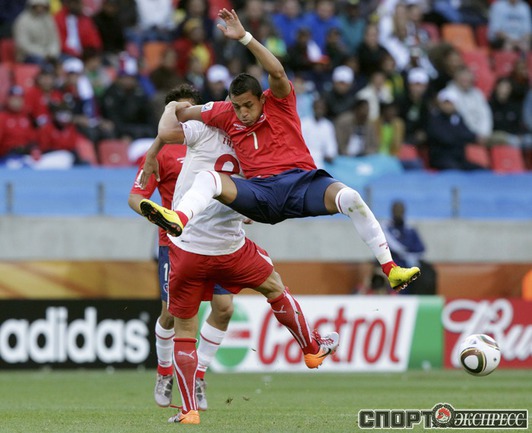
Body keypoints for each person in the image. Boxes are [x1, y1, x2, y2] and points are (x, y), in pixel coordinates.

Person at [140, 8, 420, 293]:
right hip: (261, 193)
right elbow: (174, 123)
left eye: (248, 105)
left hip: (301, 183)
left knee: (351, 198)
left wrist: (245, 38)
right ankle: (178, 219)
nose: (242, 113)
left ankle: (391, 269)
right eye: (237, 107)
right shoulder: (224, 112)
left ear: (262, 98)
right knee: (208, 179)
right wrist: (170, 112)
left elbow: (276, 71)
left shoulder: (280, 102)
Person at [138, 84, 339, 425]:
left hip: (186, 247)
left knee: (185, 324)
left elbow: (168, 130)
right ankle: (311, 347)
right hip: (231, 248)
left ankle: (188, 410)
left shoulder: (200, 131)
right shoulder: (252, 146)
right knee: (274, 287)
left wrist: (171, 107)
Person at [128, 85, 235, 412]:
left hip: (217, 239)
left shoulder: (216, 140)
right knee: (172, 314)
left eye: (190, 110)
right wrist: (160, 217)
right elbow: (136, 197)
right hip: (174, 243)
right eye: (178, 111)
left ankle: (198, 375)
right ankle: (164, 373)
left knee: (224, 308)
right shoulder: (162, 153)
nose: (184, 116)